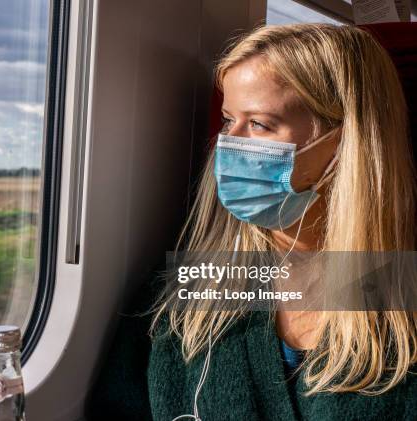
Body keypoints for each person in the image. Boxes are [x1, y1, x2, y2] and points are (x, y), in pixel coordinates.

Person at [86, 23, 417, 420]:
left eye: (258, 124)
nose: (228, 144)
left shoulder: (401, 310)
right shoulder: (183, 293)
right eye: (228, 121)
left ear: (347, 143)